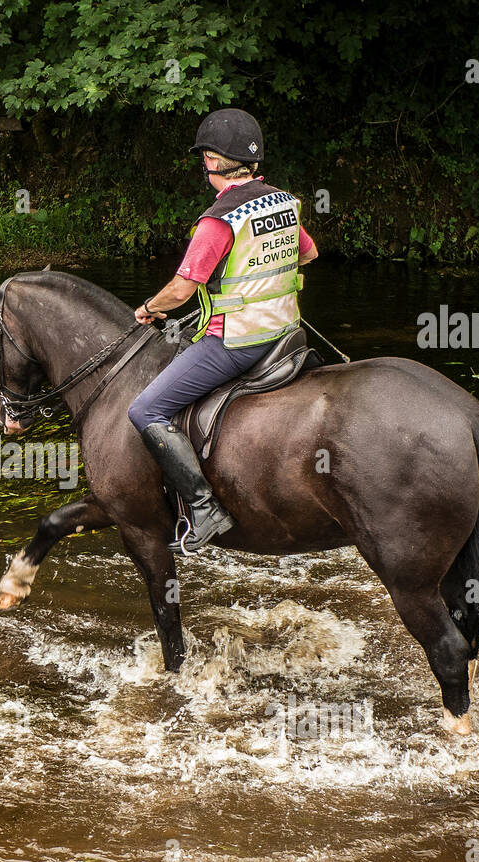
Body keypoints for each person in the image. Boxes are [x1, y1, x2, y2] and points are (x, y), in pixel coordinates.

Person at [128, 108, 318, 553]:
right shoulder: (282, 202)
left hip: (237, 342)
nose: (204, 166)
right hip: (286, 334)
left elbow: (181, 289)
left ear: (215, 161)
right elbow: (308, 256)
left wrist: (148, 309)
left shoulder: (218, 219)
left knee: (145, 411)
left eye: (205, 158)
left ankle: (203, 507)